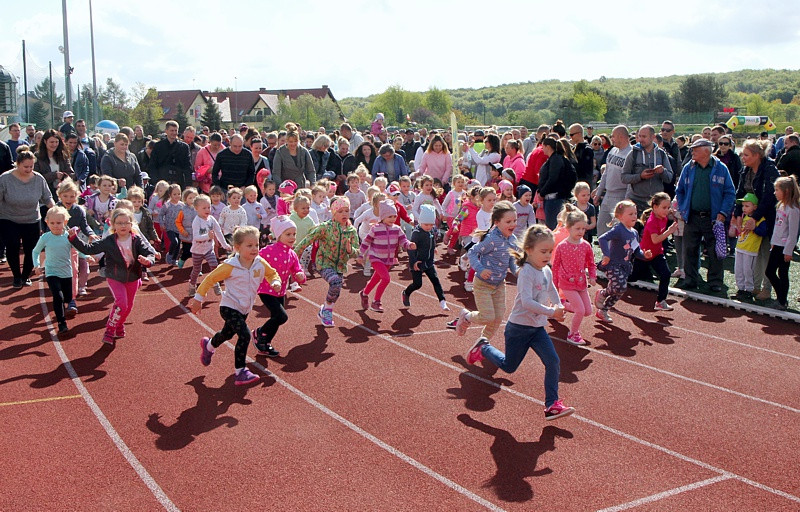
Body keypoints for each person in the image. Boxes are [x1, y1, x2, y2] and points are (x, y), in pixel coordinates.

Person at [466, 224, 575, 421]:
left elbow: (551, 290)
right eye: (543, 251)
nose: (547, 255)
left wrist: (559, 306)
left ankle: (552, 404)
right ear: (529, 250)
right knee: (509, 367)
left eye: (550, 251)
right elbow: (527, 302)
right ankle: (484, 347)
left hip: (537, 329)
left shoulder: (546, 271)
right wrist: (552, 312)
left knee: (553, 361)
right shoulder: (526, 272)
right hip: (518, 329)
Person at [190, 226, 280, 386]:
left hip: (245, 309)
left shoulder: (259, 263)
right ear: (237, 248)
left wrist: (275, 281)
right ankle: (240, 371)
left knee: (227, 334)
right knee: (244, 335)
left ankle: (209, 345)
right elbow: (210, 279)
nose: (254, 249)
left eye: (256, 245)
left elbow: (272, 273)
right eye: (249, 245)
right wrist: (198, 299)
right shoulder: (230, 266)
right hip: (229, 307)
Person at [69, 208, 156, 344]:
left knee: (128, 306)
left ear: (131, 224)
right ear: (113, 225)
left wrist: (149, 260)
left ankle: (119, 324)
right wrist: (74, 238)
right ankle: (110, 329)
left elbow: (149, 251)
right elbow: (89, 249)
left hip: (132, 277)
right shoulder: (109, 241)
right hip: (114, 276)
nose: (123, 226)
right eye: (119, 223)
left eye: (126, 223)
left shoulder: (136, 240)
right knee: (121, 303)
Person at [453, 201, 518, 349]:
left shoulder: (512, 240)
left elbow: (512, 261)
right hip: (483, 284)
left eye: (514, 220)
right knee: (487, 316)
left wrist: (519, 272)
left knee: (498, 319)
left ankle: (481, 344)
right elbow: (473, 252)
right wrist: (480, 269)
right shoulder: (491, 239)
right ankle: (466, 316)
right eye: (508, 221)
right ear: (497, 222)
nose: (513, 224)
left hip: (499, 285)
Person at [295, 196, 359, 327]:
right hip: (323, 263)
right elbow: (307, 240)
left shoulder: (351, 231)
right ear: (333, 213)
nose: (344, 214)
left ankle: (325, 309)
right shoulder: (325, 227)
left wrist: (350, 250)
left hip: (340, 265)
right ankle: (328, 311)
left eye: (346, 211)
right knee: (335, 282)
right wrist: (293, 255)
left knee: (336, 290)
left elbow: (356, 252)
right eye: (340, 211)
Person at [0, 149, 54, 288]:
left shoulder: (38, 178)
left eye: (31, 166)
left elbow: (47, 197)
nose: (29, 169)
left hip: (31, 219)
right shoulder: (5, 178)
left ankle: (25, 276)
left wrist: (53, 209)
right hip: (9, 218)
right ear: (17, 164)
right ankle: (16, 276)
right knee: (12, 246)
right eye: (25, 167)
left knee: (32, 249)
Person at [253, 216, 306, 357]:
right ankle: (259, 333)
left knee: (276, 319)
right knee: (281, 316)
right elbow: (255, 259)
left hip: (281, 291)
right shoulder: (268, 250)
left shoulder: (292, 254)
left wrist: (300, 275)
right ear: (278, 235)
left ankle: (265, 343)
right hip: (266, 289)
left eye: (294, 234)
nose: (292, 237)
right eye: (288, 234)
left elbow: (297, 269)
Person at [734, 139, 780, 301]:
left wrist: (755, 217)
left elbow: (769, 198)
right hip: (749, 217)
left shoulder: (769, 170)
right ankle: (753, 286)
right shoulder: (745, 171)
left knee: (766, 253)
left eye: (746, 155)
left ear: (756, 155)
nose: (743, 158)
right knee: (752, 252)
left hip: (768, 219)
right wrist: (738, 214)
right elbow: (739, 193)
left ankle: (767, 288)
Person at [594, 200, 653, 323]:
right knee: (620, 286)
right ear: (620, 216)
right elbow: (603, 238)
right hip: (613, 264)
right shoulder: (618, 229)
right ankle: (603, 293)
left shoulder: (634, 233)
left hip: (625, 266)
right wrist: (606, 255)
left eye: (635, 213)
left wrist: (645, 255)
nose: (634, 216)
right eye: (630, 214)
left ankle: (603, 310)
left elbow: (636, 251)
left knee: (620, 290)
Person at [356, 200, 415, 312]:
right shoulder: (375, 228)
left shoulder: (397, 229)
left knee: (375, 279)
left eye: (394, 216)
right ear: (383, 216)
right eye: (389, 216)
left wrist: (409, 245)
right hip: (376, 257)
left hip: (388, 259)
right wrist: (360, 255)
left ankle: (364, 293)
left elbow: (403, 241)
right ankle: (376, 302)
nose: (393, 219)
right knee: (386, 279)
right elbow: (366, 241)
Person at [551, 209, 595, 345]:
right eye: (577, 228)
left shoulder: (586, 246)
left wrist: (592, 276)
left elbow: (591, 263)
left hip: (581, 283)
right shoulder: (562, 246)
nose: (581, 231)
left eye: (583, 228)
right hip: (567, 283)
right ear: (568, 228)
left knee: (588, 311)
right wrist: (555, 285)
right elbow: (556, 266)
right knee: (580, 310)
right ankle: (573, 334)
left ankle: (563, 305)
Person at [32, 206, 75, 332]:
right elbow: (35, 251)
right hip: (51, 272)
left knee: (67, 298)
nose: (55, 226)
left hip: (66, 272)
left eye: (58, 223)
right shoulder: (45, 237)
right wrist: (37, 265)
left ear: (65, 222)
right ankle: (62, 323)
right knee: (58, 296)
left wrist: (87, 256)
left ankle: (67, 306)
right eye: (52, 223)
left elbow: (78, 249)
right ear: (47, 222)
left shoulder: (68, 237)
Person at [634, 193, 678, 311]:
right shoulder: (652, 221)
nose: (667, 210)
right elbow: (655, 240)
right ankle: (613, 283)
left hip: (657, 253)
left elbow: (671, 213)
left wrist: (673, 212)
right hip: (644, 254)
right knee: (633, 277)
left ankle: (660, 301)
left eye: (668, 207)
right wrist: (669, 231)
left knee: (666, 274)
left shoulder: (662, 217)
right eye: (664, 207)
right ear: (655, 207)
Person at [401, 204, 449, 311]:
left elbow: (432, 240)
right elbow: (411, 248)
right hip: (418, 262)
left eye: (431, 225)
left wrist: (434, 247)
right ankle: (406, 292)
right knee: (418, 284)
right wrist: (414, 262)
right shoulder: (417, 233)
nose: (428, 227)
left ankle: (443, 301)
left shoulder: (430, 230)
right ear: (421, 222)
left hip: (429, 261)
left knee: (435, 281)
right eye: (426, 224)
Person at [620, 125, 674, 215]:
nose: (641, 139)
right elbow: (624, 177)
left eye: (644, 136)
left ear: (653, 137)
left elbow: (669, 178)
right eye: (639, 136)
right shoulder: (633, 154)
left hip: (656, 204)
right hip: (636, 202)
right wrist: (640, 176)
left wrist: (662, 171)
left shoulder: (661, 154)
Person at [764, 176, 800, 310]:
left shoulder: (793, 210)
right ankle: (781, 298)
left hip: (785, 247)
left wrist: (788, 250)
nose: (775, 192)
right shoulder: (781, 206)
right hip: (777, 245)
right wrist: (773, 242)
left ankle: (782, 300)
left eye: (777, 190)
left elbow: (793, 232)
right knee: (770, 271)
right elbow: (778, 227)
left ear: (786, 191)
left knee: (782, 273)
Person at [188, 194, 232, 296]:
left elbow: (218, 232)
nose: (207, 210)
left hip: (208, 249)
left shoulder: (212, 219)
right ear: (197, 209)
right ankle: (192, 285)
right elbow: (196, 237)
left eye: (209, 207)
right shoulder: (197, 221)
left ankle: (215, 283)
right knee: (197, 270)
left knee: (214, 265)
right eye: (204, 208)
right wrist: (207, 236)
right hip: (197, 250)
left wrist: (225, 245)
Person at [732, 193, 767, 301]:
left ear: (755, 207)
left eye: (747, 206)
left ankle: (749, 290)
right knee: (738, 269)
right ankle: (741, 289)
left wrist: (754, 228)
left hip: (750, 250)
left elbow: (763, 232)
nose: (744, 208)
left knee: (748, 270)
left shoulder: (760, 220)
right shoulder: (744, 217)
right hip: (740, 247)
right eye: (743, 206)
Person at [537, 137, 576, 230]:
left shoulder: (556, 159)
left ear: (548, 147)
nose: (542, 149)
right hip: (552, 198)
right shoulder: (555, 159)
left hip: (554, 198)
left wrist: (542, 192)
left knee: (553, 227)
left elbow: (553, 178)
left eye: (543, 146)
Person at [149, 120, 192, 187]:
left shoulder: (184, 147)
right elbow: (152, 166)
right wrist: (156, 182)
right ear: (166, 131)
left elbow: (187, 167)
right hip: (163, 182)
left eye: (176, 130)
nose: (174, 133)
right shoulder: (158, 146)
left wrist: (188, 184)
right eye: (172, 130)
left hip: (179, 182)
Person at [272, 123, 316, 187]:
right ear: (286, 141)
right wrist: (281, 187)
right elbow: (276, 174)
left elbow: (311, 171)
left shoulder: (304, 151)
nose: (293, 144)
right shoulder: (280, 152)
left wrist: (313, 185)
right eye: (290, 141)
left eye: (295, 141)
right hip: (286, 187)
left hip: (300, 186)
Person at [35, 129, 75, 197]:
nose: (54, 144)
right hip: (44, 195)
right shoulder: (37, 157)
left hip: (61, 194)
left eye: (56, 142)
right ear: (45, 141)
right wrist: (54, 175)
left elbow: (71, 173)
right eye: (52, 142)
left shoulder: (63, 156)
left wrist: (63, 177)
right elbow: (36, 177)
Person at [175, 187, 198, 268]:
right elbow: (178, 222)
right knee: (187, 252)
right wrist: (182, 231)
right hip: (186, 236)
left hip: (197, 235)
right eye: (190, 198)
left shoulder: (199, 209)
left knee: (197, 253)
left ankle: (197, 268)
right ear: (185, 199)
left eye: (194, 197)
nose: (192, 200)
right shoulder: (182, 210)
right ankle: (182, 259)